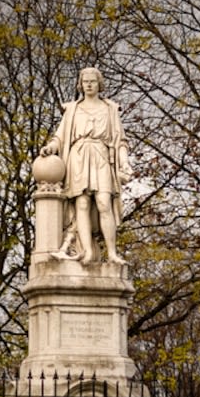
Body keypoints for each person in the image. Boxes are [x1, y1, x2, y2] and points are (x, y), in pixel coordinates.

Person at [41, 66, 133, 265]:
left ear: (99, 83)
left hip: (101, 155)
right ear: (80, 84)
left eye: (92, 81)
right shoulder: (72, 109)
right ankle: (88, 252)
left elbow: (121, 142)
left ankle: (112, 253)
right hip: (78, 156)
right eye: (85, 82)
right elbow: (61, 136)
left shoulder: (110, 109)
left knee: (103, 203)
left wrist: (124, 163)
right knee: (81, 204)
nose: (89, 85)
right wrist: (51, 147)